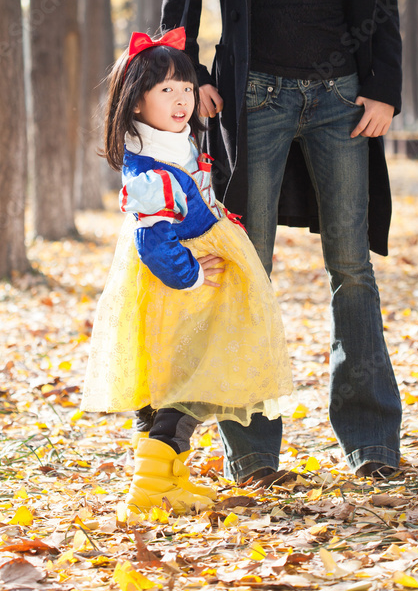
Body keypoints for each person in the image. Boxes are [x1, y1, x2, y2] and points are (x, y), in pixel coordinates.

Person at [161, 0, 403, 481]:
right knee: (248, 269)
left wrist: (383, 90)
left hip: (340, 101)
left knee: (351, 270)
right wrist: (192, 77)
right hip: (254, 100)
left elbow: (380, 0)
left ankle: (371, 442)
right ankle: (253, 449)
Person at [80, 28, 292, 514]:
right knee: (186, 378)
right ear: (136, 103)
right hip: (174, 287)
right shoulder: (152, 172)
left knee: (183, 375)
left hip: (187, 279)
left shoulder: (175, 144)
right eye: (165, 90)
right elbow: (153, 241)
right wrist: (191, 274)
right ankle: (147, 488)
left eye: (186, 88)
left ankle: (170, 478)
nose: (180, 100)